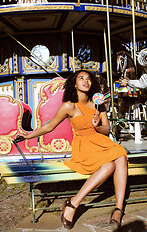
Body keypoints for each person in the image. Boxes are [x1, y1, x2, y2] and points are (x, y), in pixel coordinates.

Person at [17, 70, 128, 230]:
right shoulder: (69, 105)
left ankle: (118, 209)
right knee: (109, 166)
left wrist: (97, 126)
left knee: (121, 156)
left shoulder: (98, 103)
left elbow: (106, 129)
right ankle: (73, 203)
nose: (86, 81)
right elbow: (50, 126)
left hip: (102, 142)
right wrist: (28, 136)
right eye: (81, 78)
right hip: (84, 146)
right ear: (74, 83)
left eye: (89, 79)